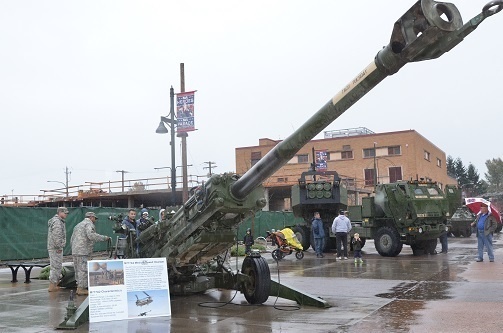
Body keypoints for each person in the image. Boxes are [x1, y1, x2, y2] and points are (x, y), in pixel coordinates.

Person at [71, 212, 111, 295]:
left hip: (75, 250)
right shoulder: (89, 224)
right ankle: (82, 288)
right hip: (83, 251)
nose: (95, 220)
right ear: (91, 217)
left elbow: (72, 238)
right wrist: (104, 238)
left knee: (77, 269)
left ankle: (79, 286)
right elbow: (91, 235)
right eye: (95, 218)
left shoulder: (78, 225)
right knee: (83, 270)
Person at [47, 207, 69, 292]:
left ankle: (54, 284)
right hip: (56, 248)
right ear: (60, 212)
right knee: (56, 266)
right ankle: (52, 286)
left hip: (54, 247)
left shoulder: (57, 221)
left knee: (56, 266)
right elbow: (57, 236)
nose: (66, 215)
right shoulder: (57, 222)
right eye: (65, 213)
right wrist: (59, 247)